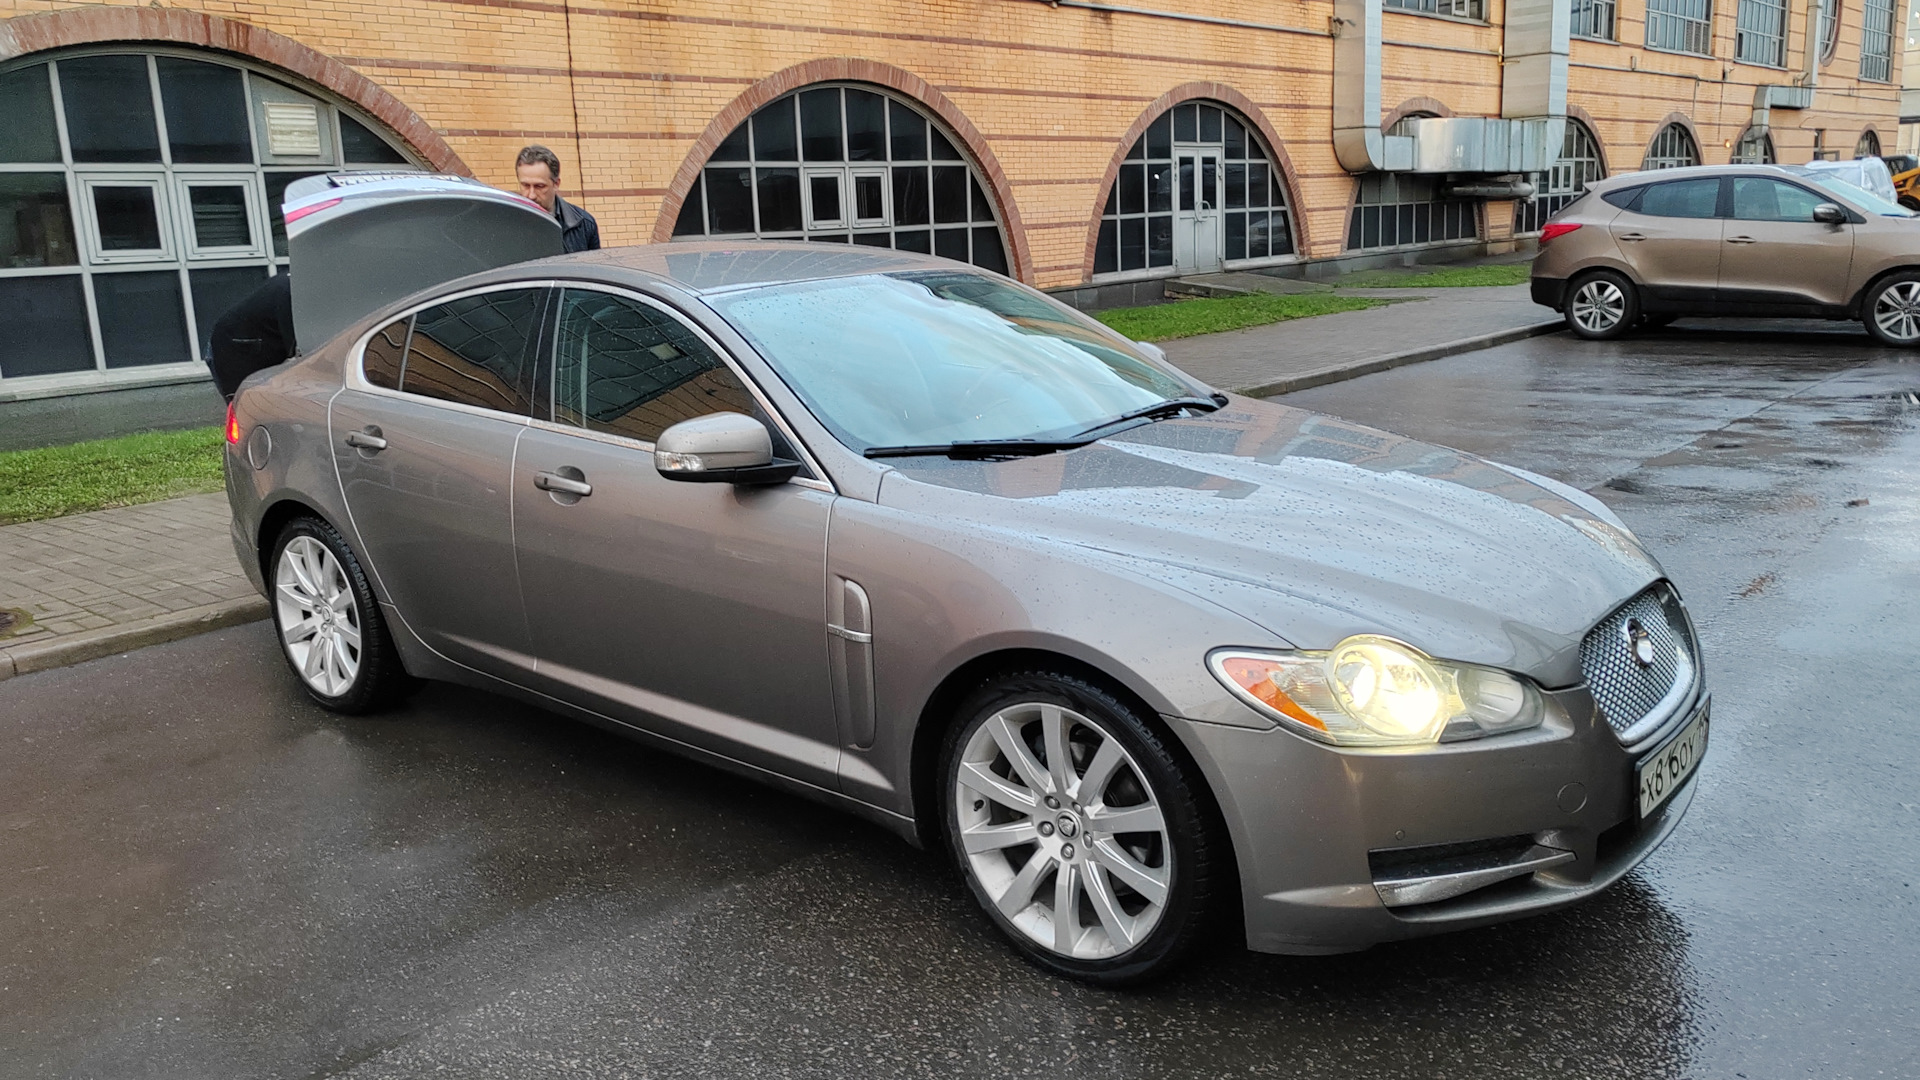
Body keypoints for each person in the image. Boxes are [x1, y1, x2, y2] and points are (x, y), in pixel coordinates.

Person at [207, 272, 295, 401]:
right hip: (232, 350)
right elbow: (301, 351)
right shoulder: (289, 293)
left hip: (257, 346)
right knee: (246, 405)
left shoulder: (294, 286)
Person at [515, 145, 600, 253]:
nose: (531, 195)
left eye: (540, 186)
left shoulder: (585, 224)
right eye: (525, 185)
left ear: (556, 184)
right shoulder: (505, 224)